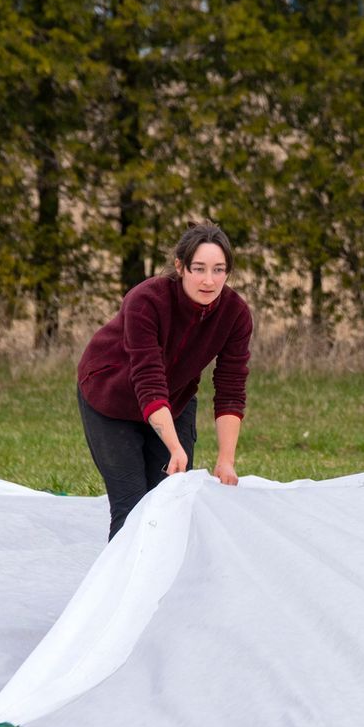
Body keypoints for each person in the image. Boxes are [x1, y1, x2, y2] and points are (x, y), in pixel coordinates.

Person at [76, 222, 253, 538]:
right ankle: (126, 587)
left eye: (219, 269)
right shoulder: (145, 300)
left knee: (170, 502)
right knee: (132, 507)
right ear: (180, 267)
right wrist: (174, 447)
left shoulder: (235, 314)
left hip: (174, 399)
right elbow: (147, 378)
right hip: (112, 397)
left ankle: (168, 585)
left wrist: (226, 460)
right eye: (198, 268)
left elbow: (231, 387)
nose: (209, 280)